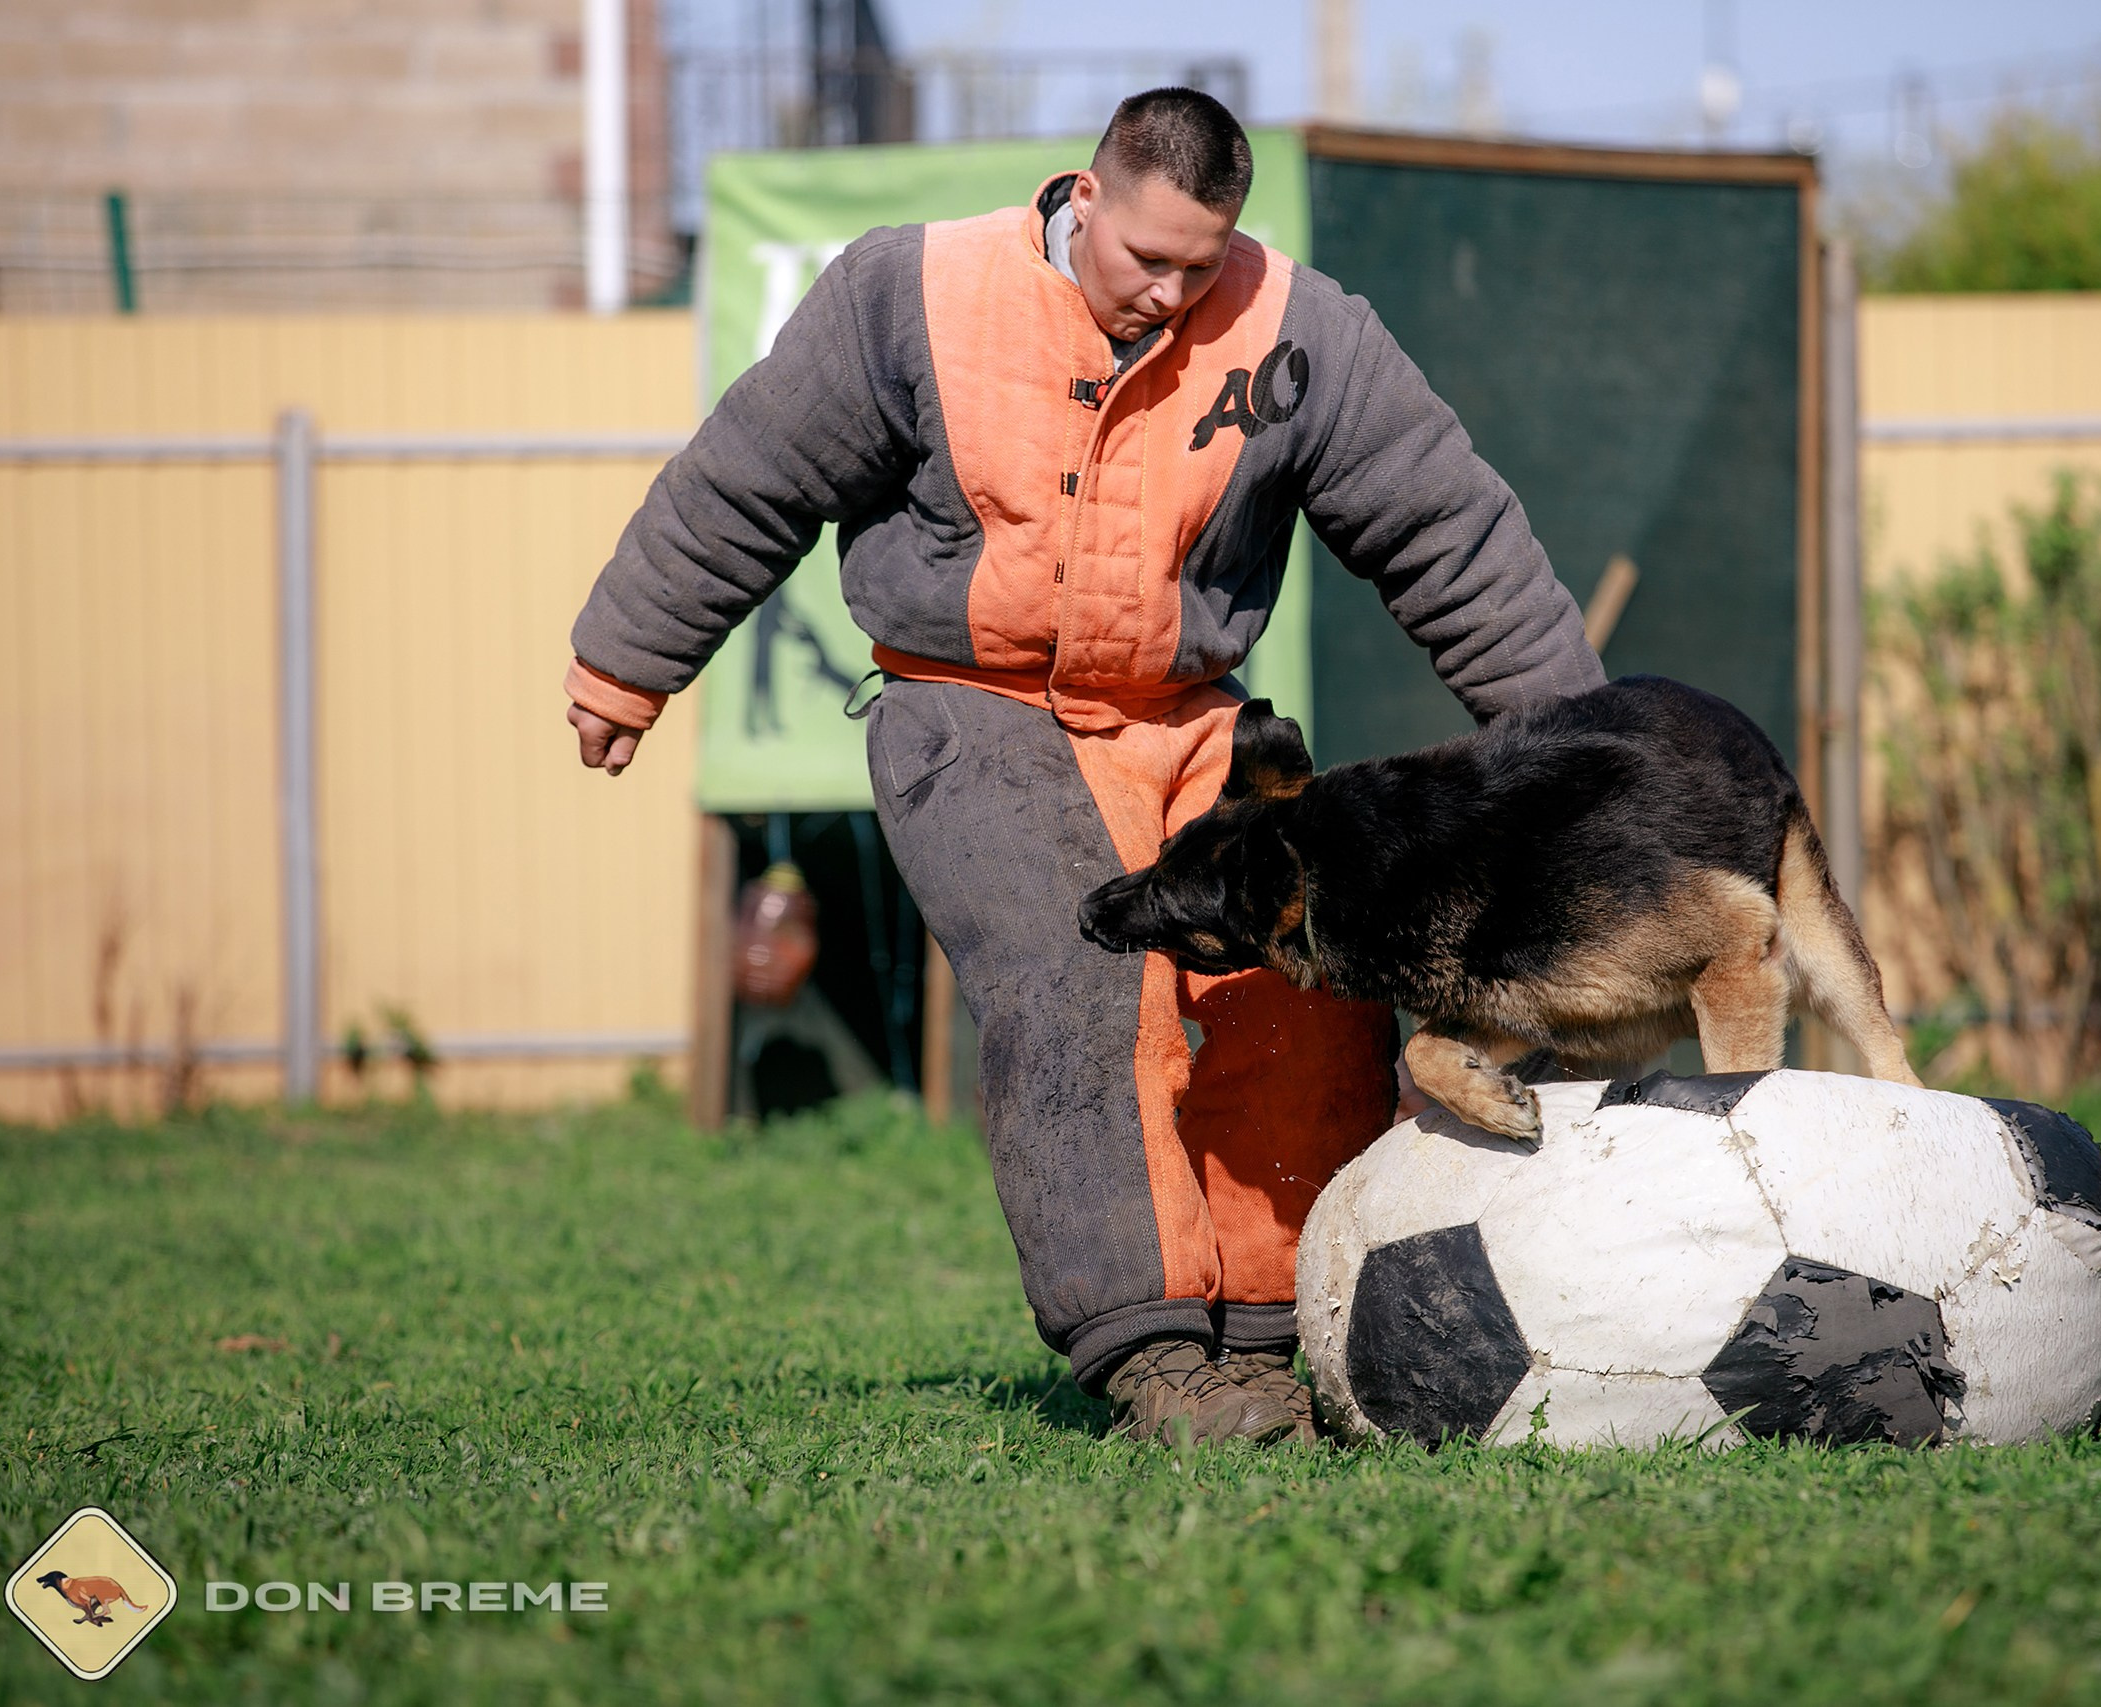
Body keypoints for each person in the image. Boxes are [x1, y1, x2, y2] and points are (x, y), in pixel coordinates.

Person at [563, 88, 1603, 1446]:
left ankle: (1290, 1332)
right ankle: (1160, 1363)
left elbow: (1447, 534)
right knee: (1086, 981)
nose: (1172, 293)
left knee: (1314, 967)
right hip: (970, 709)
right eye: (1146, 260)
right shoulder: (909, 294)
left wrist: (1582, 767)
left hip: (1189, 715)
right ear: (1088, 195)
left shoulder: (1301, 329)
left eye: (1202, 262)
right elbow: (746, 478)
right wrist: (626, 665)